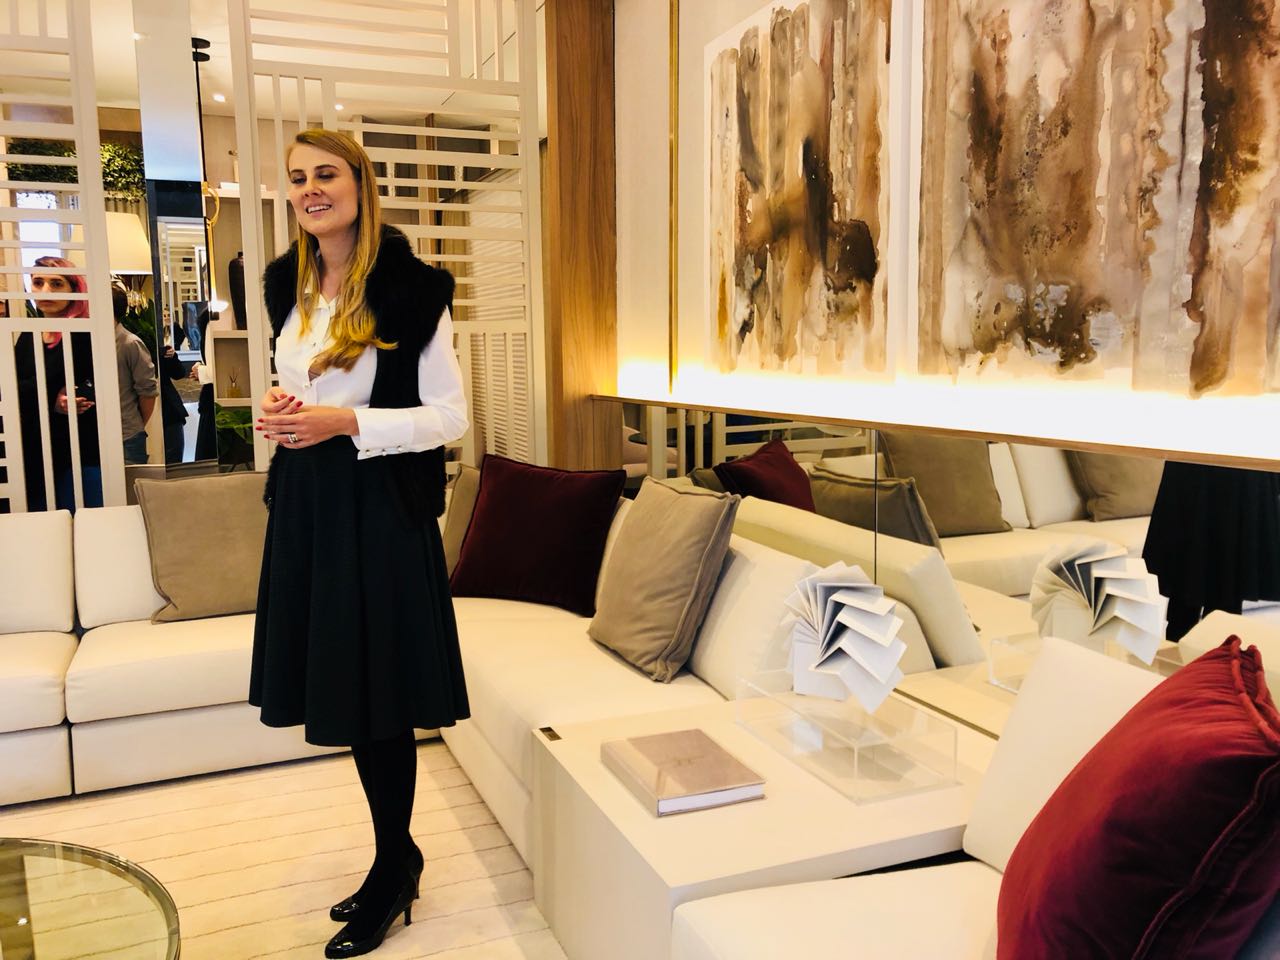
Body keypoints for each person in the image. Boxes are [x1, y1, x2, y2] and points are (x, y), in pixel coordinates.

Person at [250, 129, 470, 958]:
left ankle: (393, 867)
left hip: (378, 510)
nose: (310, 189)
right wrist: (282, 412)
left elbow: (450, 418)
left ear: (360, 184)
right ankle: (397, 857)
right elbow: (300, 388)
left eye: (326, 174)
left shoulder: (413, 290)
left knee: (380, 698)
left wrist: (346, 422)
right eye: (297, 178)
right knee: (348, 689)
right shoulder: (286, 284)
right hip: (308, 505)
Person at [1143, 461, 1280, 641]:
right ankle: (1185, 648)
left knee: (1221, 578)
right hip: (1203, 468)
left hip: (1237, 469)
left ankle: (1211, 650)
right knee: (1192, 572)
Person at [14, 257, 102, 510]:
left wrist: (40, 393)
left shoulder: (83, 334)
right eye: (38, 282)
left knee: (83, 520)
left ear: (74, 289)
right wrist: (51, 398)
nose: (45, 290)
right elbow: (12, 388)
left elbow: (89, 390)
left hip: (78, 449)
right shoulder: (28, 335)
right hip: (34, 449)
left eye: (56, 284)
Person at [111, 286, 159, 465]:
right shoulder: (87, 341)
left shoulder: (130, 343)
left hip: (127, 436)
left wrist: (135, 426)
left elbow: (148, 392)